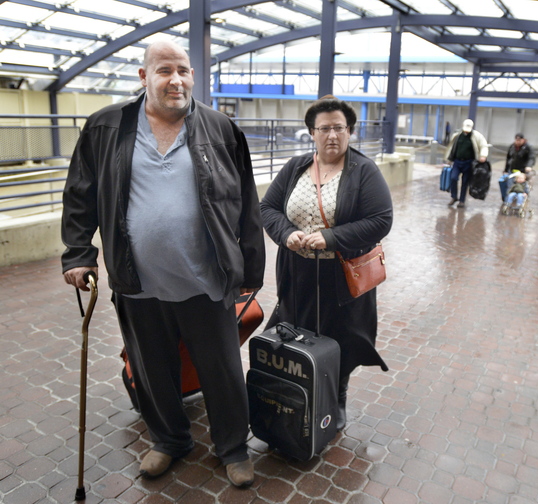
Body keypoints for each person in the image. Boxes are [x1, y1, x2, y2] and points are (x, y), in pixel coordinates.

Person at [60, 40, 265, 487]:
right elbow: (81, 194)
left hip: (206, 281)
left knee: (224, 373)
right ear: (144, 76)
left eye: (184, 71)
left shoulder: (220, 128)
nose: (176, 80)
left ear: (193, 76)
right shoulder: (105, 127)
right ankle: (169, 440)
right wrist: (79, 253)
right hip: (138, 282)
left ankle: (232, 448)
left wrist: (249, 271)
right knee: (152, 370)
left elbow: (246, 202)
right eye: (165, 70)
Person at [260, 95, 393, 432]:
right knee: (296, 329)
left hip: (341, 274)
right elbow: (268, 208)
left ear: (350, 131)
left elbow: (381, 220)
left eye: (339, 128)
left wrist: (331, 238)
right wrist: (287, 233)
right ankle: (296, 390)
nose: (332, 135)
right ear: (311, 132)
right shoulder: (296, 166)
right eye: (324, 128)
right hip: (298, 271)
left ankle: (338, 396)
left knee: (341, 336)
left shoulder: (364, 171)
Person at [446, 118, 489, 208]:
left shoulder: (477, 136)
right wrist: (449, 158)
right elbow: (452, 147)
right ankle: (454, 196)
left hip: (469, 162)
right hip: (457, 161)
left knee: (465, 182)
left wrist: (483, 155)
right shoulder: (457, 135)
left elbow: (483, 145)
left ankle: (462, 200)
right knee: (453, 178)